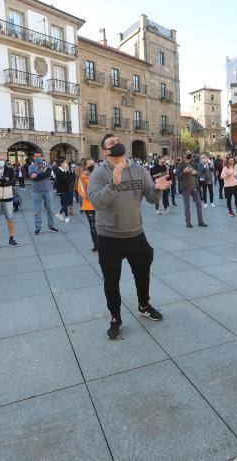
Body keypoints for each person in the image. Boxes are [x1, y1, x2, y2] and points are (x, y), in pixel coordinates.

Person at [87, 134, 172, 340]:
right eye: (111, 143)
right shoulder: (98, 173)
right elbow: (95, 202)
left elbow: (151, 198)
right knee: (111, 281)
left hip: (136, 233)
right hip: (109, 237)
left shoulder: (139, 170)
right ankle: (115, 318)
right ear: (105, 151)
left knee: (143, 273)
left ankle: (144, 305)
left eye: (117, 141)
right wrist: (114, 184)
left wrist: (158, 189)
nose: (117, 144)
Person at [28, 153, 58, 235]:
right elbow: (33, 177)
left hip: (48, 190)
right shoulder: (31, 167)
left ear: (42, 157)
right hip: (36, 191)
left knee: (50, 209)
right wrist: (42, 174)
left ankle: (51, 226)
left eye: (39, 156)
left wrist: (38, 175)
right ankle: (38, 228)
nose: (38, 158)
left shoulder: (47, 164)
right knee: (36, 210)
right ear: (33, 157)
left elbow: (48, 174)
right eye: (36, 156)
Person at [174, 151, 207, 228]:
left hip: (194, 187)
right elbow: (178, 177)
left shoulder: (193, 163)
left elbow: (199, 173)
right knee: (187, 206)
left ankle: (200, 221)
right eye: (188, 153)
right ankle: (188, 222)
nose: (190, 155)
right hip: (185, 188)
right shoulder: (180, 165)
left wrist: (196, 172)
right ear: (184, 155)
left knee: (199, 204)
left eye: (190, 154)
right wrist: (184, 172)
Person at [75, 158, 98, 252]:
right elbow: (81, 190)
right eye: (90, 163)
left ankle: (104, 243)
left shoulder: (100, 175)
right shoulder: (83, 176)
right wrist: (88, 195)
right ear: (85, 166)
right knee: (93, 225)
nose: (92, 165)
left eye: (93, 163)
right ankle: (96, 244)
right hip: (89, 205)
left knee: (103, 226)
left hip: (101, 204)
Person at [53, 157, 75, 223]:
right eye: (65, 162)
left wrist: (69, 171)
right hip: (62, 189)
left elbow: (71, 179)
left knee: (68, 201)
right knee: (65, 202)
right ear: (62, 163)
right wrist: (67, 171)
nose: (66, 164)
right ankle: (66, 216)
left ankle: (60, 214)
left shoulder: (64, 170)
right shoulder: (58, 170)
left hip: (67, 189)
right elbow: (64, 180)